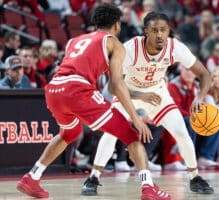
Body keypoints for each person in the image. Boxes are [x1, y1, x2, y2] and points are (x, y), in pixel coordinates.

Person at [16, 4, 171, 200]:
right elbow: (116, 85)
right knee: (132, 135)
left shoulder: (74, 40)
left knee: (70, 132)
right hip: (77, 89)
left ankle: (32, 177)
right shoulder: (114, 43)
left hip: (54, 88)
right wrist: (135, 118)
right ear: (116, 24)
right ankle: (149, 187)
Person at [81, 11, 214, 196]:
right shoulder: (130, 48)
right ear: (146, 32)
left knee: (181, 132)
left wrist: (199, 98)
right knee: (111, 133)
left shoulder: (175, 48)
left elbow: (205, 74)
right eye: (154, 30)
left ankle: (195, 177)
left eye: (163, 30)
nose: (159, 35)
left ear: (168, 31)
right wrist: (140, 96)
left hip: (157, 92)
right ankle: (93, 177)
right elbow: (112, 87)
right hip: (128, 92)